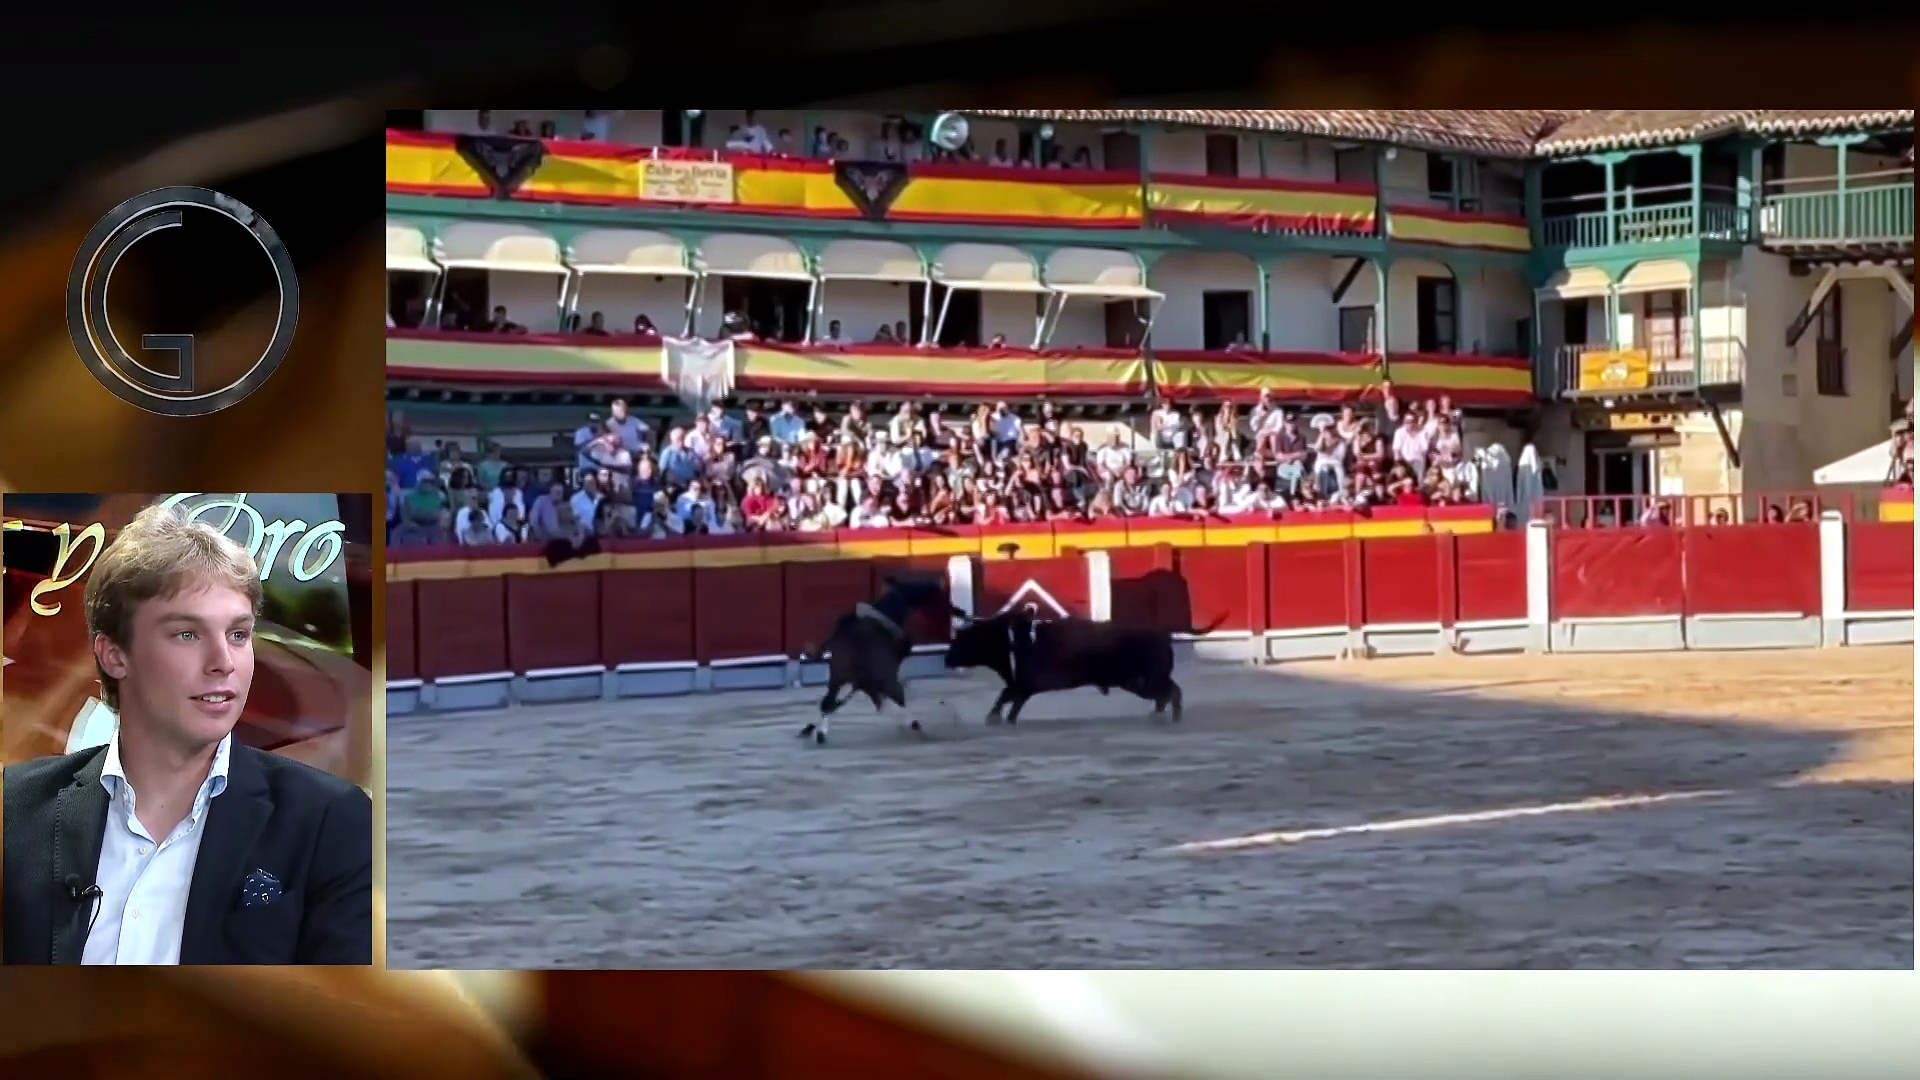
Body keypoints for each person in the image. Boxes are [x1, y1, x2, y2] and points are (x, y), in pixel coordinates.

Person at [2, 504, 372, 965]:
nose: (224, 662)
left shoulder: (330, 821)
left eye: (238, 634)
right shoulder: (14, 809)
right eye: (187, 634)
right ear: (115, 655)